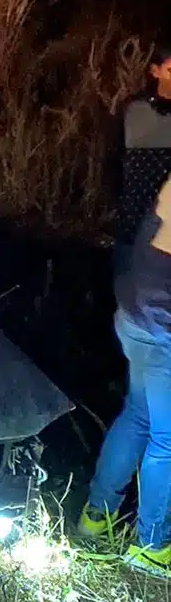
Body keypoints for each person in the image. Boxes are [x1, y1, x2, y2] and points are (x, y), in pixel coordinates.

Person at [79, 170, 171, 574]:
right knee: (167, 440)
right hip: (162, 328)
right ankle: (151, 545)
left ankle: (95, 517)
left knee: (138, 416)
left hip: (135, 317)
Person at [115, 45, 171, 271]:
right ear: (155, 71)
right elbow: (114, 154)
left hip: (164, 220)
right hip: (133, 210)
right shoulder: (134, 108)